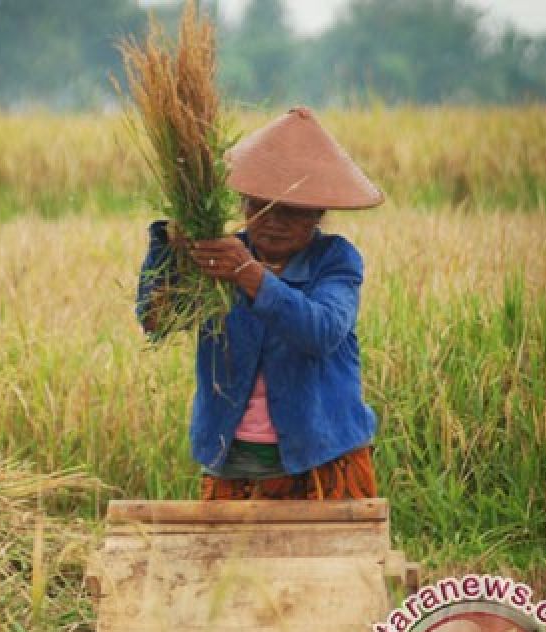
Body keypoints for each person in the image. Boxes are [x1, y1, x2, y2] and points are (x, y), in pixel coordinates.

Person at [135, 106, 384, 501]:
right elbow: (156, 320)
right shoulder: (217, 256)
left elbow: (321, 332)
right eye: (260, 206)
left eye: (291, 211)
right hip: (231, 461)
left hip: (321, 457)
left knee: (329, 563)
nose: (273, 220)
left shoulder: (335, 260)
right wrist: (169, 249)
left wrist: (249, 274)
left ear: (318, 214)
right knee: (228, 564)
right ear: (243, 205)